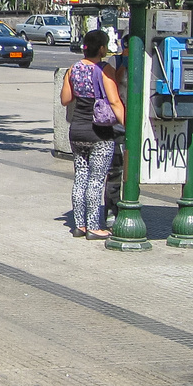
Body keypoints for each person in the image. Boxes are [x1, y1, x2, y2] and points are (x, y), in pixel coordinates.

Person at [59, 29, 124, 240]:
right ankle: (94, 226)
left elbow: (65, 99)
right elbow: (114, 101)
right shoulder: (104, 70)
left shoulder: (73, 69)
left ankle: (79, 225)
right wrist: (128, 125)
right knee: (96, 180)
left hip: (77, 130)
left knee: (80, 178)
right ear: (102, 48)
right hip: (99, 132)